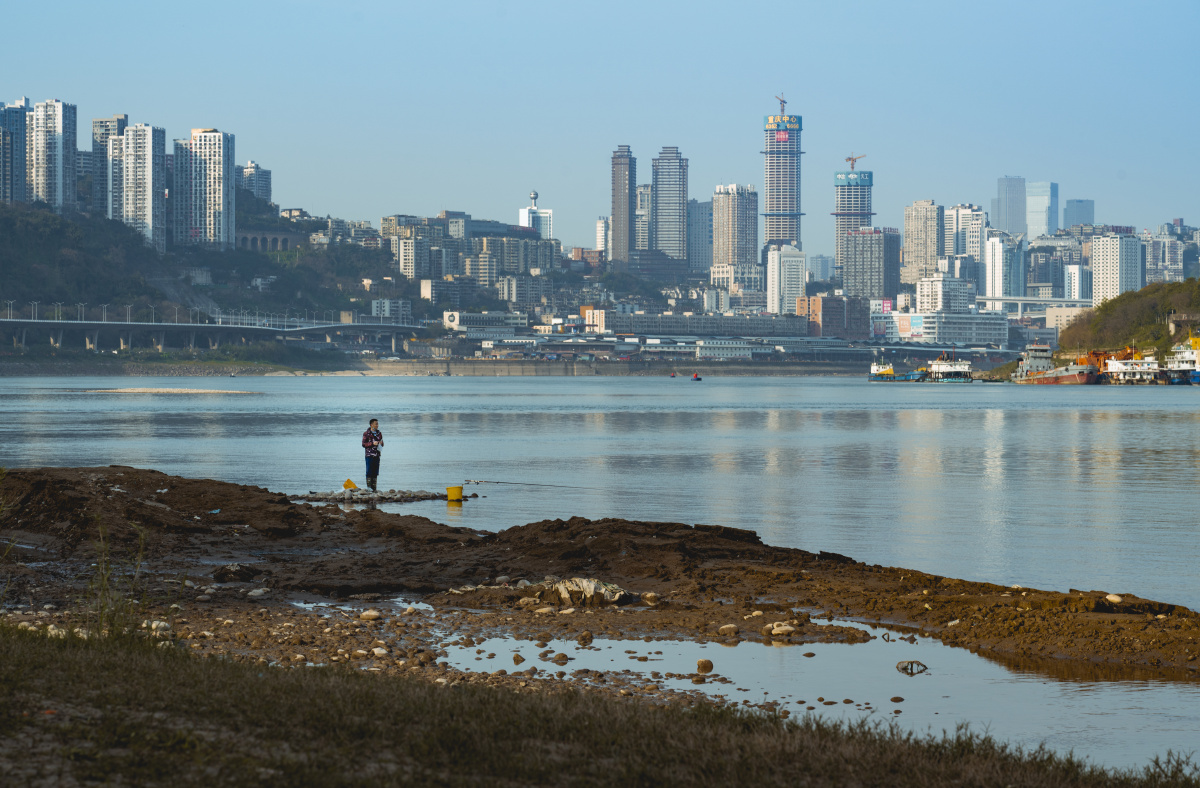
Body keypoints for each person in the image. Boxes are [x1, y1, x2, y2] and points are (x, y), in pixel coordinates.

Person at [361, 418, 384, 491]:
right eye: (376, 424)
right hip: (369, 455)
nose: (377, 425)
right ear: (371, 425)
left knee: (375, 472)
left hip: (377, 455)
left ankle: (374, 489)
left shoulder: (379, 433)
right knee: (369, 472)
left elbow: (382, 443)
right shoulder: (366, 433)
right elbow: (363, 444)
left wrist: (381, 443)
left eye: (377, 424)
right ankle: (369, 488)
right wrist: (372, 443)